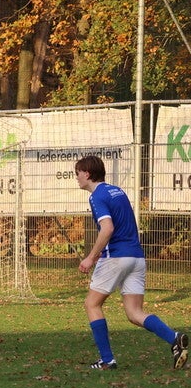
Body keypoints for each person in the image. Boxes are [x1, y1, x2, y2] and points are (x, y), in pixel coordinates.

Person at [75, 155, 188, 370]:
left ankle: (107, 360)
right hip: (136, 257)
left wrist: (90, 257)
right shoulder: (117, 191)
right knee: (134, 313)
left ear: (87, 174)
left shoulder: (97, 196)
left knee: (92, 304)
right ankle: (174, 338)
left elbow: (108, 228)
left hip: (116, 257)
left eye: (77, 173)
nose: (77, 178)